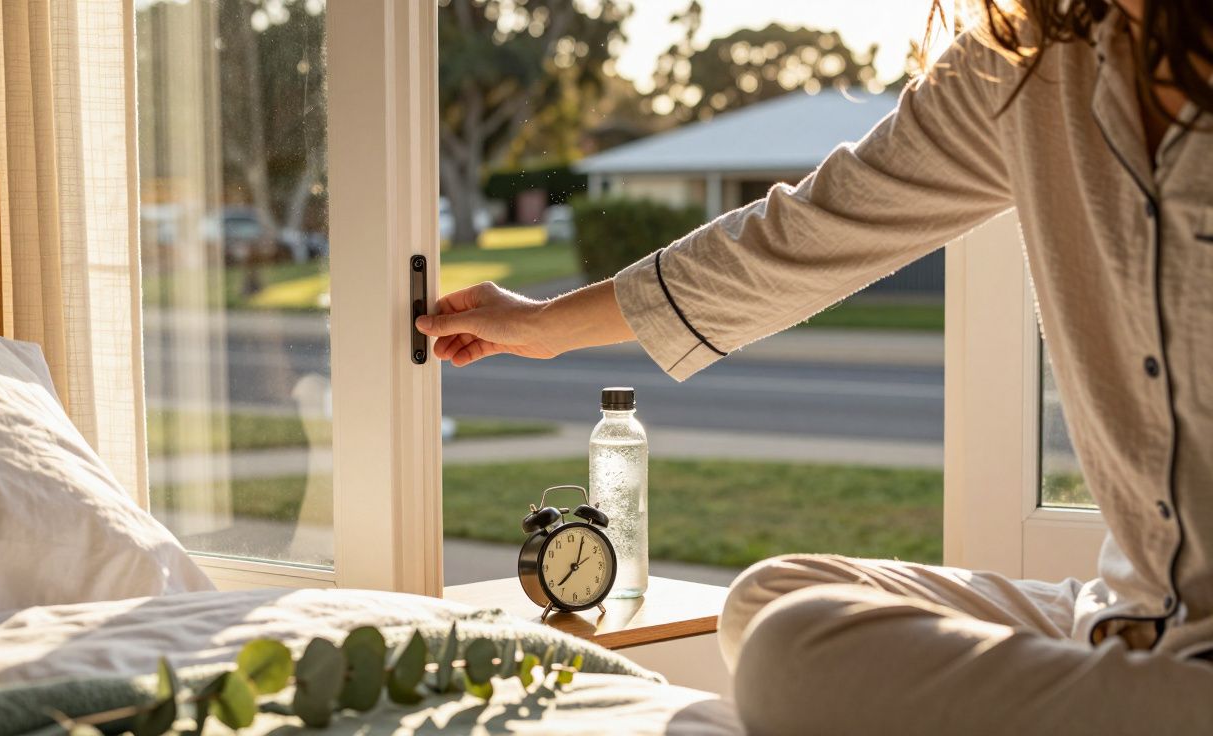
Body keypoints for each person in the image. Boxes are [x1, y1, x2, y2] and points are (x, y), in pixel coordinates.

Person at [418, 0, 1213, 732]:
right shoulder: (1026, 66)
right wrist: (543, 325)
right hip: (1129, 607)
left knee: (789, 656)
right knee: (769, 601)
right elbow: (800, 233)